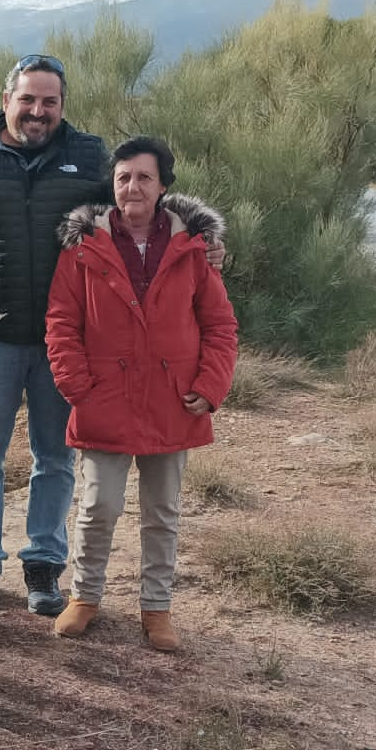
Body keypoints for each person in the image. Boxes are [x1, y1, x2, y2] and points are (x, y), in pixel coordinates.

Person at [0, 55, 222, 616]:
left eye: (49, 101)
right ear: (6, 99)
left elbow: (136, 202)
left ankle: (44, 566)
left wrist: (202, 235)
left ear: (62, 106)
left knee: (56, 455)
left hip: (72, 336)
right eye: (28, 99)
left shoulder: (87, 154)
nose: (37, 111)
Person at [44, 136, 238, 652]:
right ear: (113, 184)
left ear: (164, 187)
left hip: (173, 398)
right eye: (124, 177)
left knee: (162, 512)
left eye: (144, 178)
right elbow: (62, 320)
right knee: (98, 505)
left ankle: (156, 609)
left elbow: (219, 325)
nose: (133, 186)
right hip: (103, 396)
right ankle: (84, 597)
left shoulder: (194, 249)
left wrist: (210, 385)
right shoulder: (84, 246)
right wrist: (76, 384)